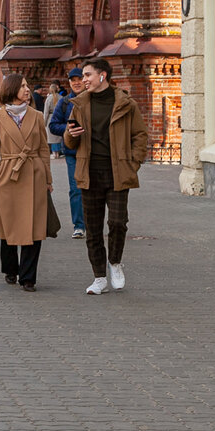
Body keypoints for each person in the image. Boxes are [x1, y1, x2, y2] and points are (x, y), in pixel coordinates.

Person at [63, 58, 147, 296]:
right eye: (82, 76)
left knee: (118, 222)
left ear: (102, 76)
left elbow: (140, 135)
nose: (83, 80)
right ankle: (99, 277)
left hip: (118, 171)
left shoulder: (125, 103)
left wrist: (133, 163)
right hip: (89, 172)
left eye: (87, 75)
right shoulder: (79, 104)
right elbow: (69, 142)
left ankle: (115, 263)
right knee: (93, 227)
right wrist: (71, 133)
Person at [0, 74, 51, 292]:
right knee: (9, 226)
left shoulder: (37, 116)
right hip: (9, 176)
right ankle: (10, 268)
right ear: (12, 89)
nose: (27, 89)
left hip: (34, 174)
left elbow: (43, 148)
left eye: (27, 85)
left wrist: (47, 178)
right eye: (22, 86)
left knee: (35, 227)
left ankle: (28, 276)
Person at [49, 68, 88, 238]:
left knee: (94, 189)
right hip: (73, 152)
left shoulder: (93, 99)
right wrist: (68, 129)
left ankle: (92, 223)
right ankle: (79, 225)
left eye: (79, 79)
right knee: (76, 189)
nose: (76, 82)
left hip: (93, 152)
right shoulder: (64, 102)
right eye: (73, 80)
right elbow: (53, 125)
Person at [43, 81, 64, 159]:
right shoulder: (61, 97)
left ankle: (54, 153)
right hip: (59, 117)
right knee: (58, 136)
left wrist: (44, 122)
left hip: (50, 118)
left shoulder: (48, 98)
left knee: (52, 137)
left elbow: (46, 112)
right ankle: (58, 152)